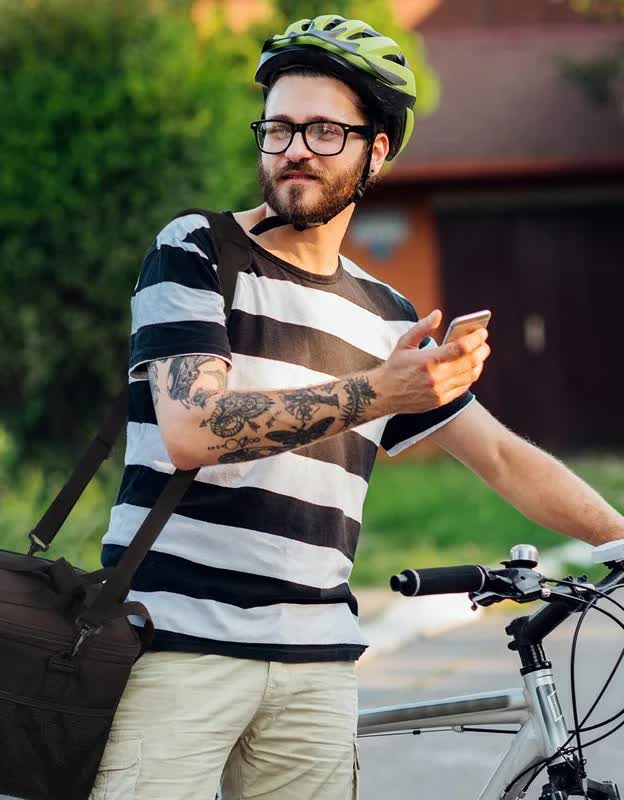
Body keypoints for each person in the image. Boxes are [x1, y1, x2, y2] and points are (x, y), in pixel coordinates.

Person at [96, 14, 624, 800]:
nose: (294, 148)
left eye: (321, 130)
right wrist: (381, 389)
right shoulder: (198, 251)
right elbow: (192, 429)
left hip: (316, 668)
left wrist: (619, 534)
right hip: (175, 649)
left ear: (376, 149)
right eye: (277, 128)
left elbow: (503, 457)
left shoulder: (385, 313)